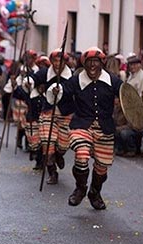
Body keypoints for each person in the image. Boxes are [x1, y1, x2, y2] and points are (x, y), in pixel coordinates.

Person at [49, 47, 123, 210]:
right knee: (81, 155)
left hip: (105, 129)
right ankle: (80, 189)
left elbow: (127, 98)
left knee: (102, 167)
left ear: (101, 63)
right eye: (89, 62)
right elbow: (62, 93)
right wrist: (56, 92)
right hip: (81, 126)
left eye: (95, 62)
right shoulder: (76, 80)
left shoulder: (113, 81)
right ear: (84, 64)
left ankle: (94, 193)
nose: (92, 66)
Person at [26, 48, 74, 185]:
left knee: (63, 146)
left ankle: (59, 154)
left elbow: (73, 90)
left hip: (66, 115)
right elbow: (34, 79)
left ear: (65, 62)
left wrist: (61, 91)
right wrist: (29, 82)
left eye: (60, 60)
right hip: (48, 113)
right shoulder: (45, 72)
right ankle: (52, 172)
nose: (57, 63)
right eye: (55, 60)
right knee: (47, 143)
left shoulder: (72, 77)